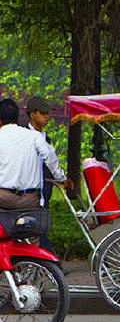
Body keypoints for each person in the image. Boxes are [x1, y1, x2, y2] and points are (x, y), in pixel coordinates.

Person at [0, 98, 70, 239]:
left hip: (3, 198)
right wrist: (62, 178)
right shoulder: (34, 136)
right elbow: (50, 157)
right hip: (30, 199)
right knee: (33, 235)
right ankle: (34, 256)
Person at [26, 96, 57, 252]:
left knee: (41, 228)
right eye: (42, 113)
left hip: (44, 190)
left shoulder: (47, 139)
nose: (47, 117)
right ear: (33, 115)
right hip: (29, 190)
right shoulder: (24, 137)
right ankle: (52, 262)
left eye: (47, 113)